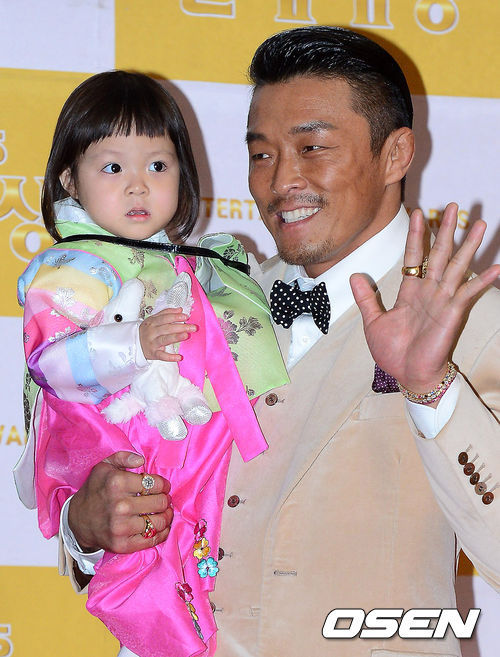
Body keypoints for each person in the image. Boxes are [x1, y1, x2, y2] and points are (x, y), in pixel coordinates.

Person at [25, 27, 500, 657]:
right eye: (261, 154)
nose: (281, 181)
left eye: (313, 148)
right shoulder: (208, 291)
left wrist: (431, 389)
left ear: (395, 155)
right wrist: (84, 526)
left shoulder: (472, 319)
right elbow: (88, 470)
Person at [15, 70, 288, 657]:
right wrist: (133, 343)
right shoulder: (74, 267)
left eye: (158, 166)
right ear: (69, 179)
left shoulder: (207, 266)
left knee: (209, 562)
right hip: (132, 449)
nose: (139, 186)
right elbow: (50, 365)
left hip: (207, 455)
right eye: (114, 167)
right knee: (155, 572)